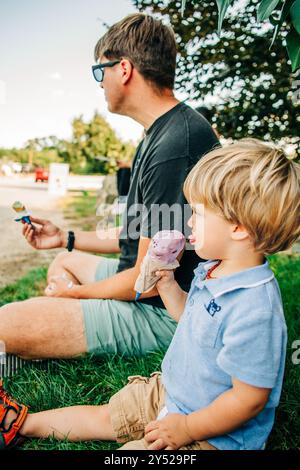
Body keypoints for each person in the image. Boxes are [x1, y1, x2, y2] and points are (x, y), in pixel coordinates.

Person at [1, 138, 299, 450]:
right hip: (172, 392)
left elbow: (249, 399)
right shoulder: (213, 269)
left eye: (198, 213)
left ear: (238, 228)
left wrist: (186, 427)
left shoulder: (254, 308)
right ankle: (20, 423)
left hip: (213, 433)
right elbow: (190, 318)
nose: (188, 220)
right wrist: (168, 286)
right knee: (105, 417)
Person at [0, 13, 219, 360]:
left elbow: (148, 280)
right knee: (63, 260)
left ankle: (51, 328)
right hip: (139, 280)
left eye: (100, 72)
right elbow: (136, 234)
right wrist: (65, 238)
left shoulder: (175, 145)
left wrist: (73, 296)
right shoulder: (158, 132)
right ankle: (54, 327)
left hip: (169, 311)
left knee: (3, 324)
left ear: (125, 69)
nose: (99, 83)